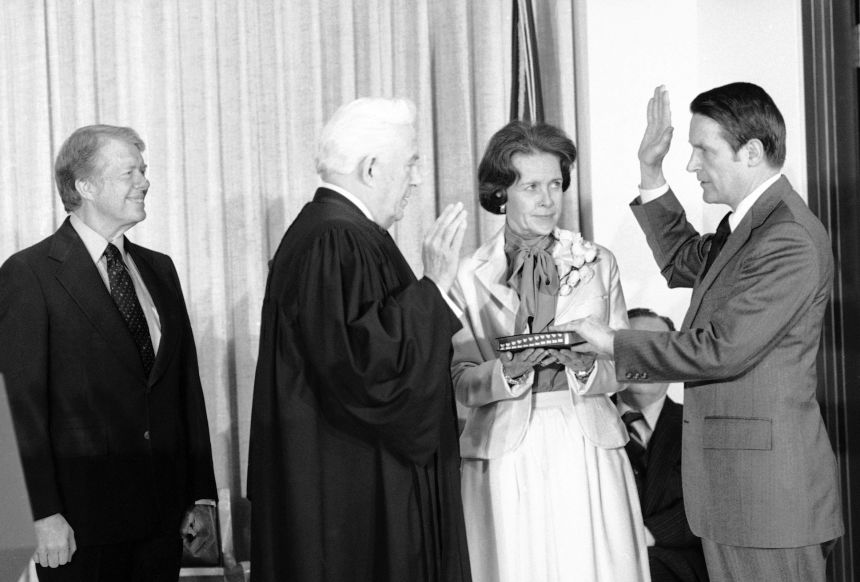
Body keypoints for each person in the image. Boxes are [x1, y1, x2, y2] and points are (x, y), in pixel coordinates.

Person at [568, 83, 843, 582]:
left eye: (703, 150)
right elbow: (680, 259)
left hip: (768, 503)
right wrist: (650, 170)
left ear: (751, 152)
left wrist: (613, 343)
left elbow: (722, 349)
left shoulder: (788, 237)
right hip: (736, 498)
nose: (692, 164)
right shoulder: (747, 227)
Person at [247, 97, 471, 582]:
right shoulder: (336, 238)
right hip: (353, 493)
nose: (417, 179)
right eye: (411, 164)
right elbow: (371, 370)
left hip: (347, 480)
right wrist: (433, 287)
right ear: (371, 168)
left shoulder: (335, 231)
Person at [0, 125, 217, 581]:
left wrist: (201, 496)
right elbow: (20, 408)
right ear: (85, 186)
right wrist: (41, 513)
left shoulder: (160, 269)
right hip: (80, 526)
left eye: (144, 170)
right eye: (129, 172)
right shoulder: (29, 274)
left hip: (164, 519)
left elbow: (185, 389)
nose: (144, 181)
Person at [450, 120, 650, 582]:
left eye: (555, 185)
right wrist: (506, 373)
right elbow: (460, 379)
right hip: (504, 451)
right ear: (501, 193)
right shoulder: (466, 275)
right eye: (532, 187)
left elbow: (627, 363)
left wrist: (586, 369)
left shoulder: (598, 262)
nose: (547, 199)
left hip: (587, 443)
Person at [615, 308, 708, 582]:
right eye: (632, 348)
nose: (643, 360)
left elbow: (714, 504)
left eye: (655, 349)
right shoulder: (577, 428)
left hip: (675, 569)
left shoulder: (701, 430)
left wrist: (647, 534)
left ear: (674, 363)